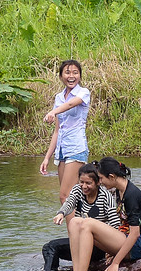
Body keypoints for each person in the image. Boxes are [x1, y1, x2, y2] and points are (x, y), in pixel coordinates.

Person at [66, 157, 141, 271]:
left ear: (111, 177)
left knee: (88, 223)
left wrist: (116, 262)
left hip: (137, 245)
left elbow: (135, 234)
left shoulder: (131, 194)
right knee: (75, 222)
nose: (99, 182)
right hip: (123, 236)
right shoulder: (118, 191)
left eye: (101, 178)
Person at [42, 163, 120, 271]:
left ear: (98, 182)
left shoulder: (105, 196)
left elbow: (115, 223)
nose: (84, 186)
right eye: (81, 182)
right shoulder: (78, 190)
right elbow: (69, 203)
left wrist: (111, 252)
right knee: (50, 247)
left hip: (97, 246)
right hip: (79, 242)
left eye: (88, 183)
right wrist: (61, 213)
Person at [39, 59, 91, 203]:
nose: (71, 76)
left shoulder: (83, 92)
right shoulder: (59, 97)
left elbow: (71, 104)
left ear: (80, 76)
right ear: (61, 76)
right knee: (66, 199)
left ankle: (78, 225)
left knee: (66, 196)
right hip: (62, 151)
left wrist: (53, 111)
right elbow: (57, 131)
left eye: (75, 72)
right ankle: (76, 225)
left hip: (76, 148)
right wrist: (47, 157)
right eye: (67, 72)